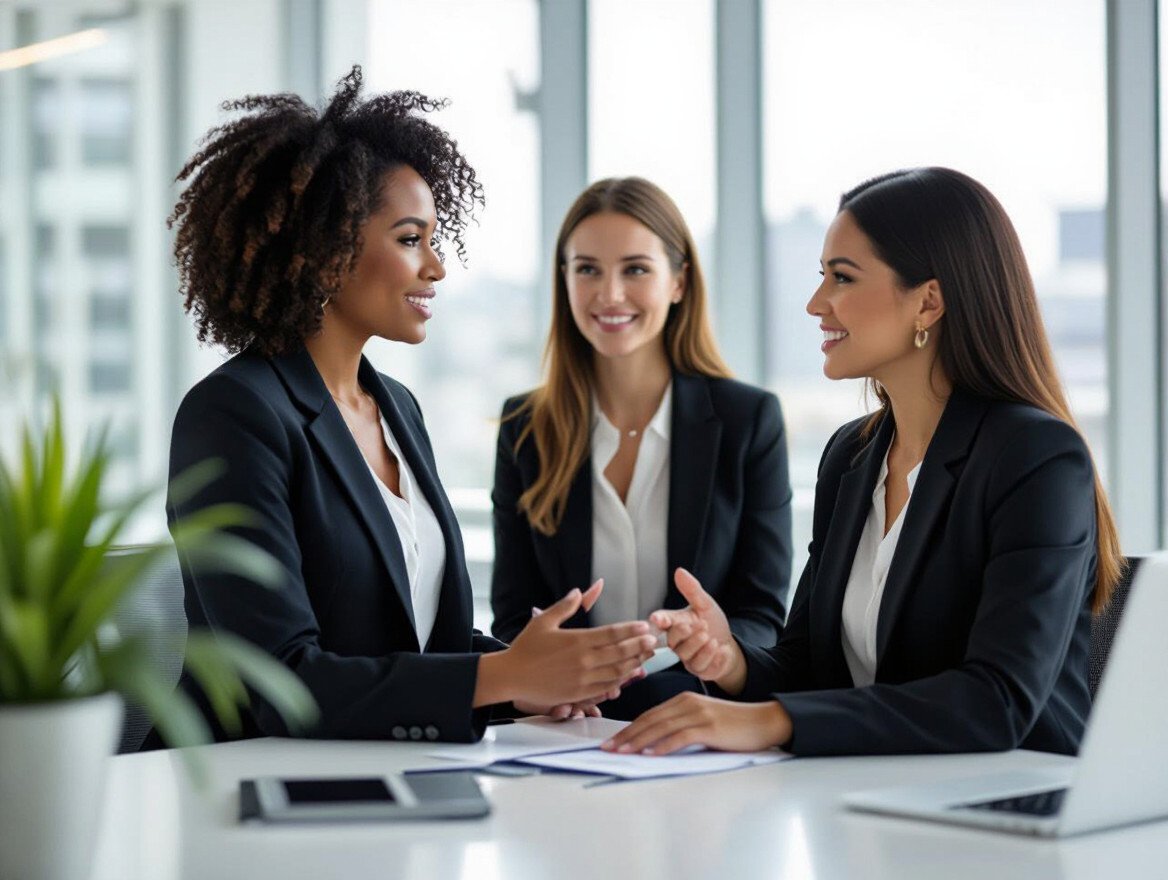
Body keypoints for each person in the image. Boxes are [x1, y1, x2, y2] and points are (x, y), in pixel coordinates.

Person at [163, 68, 656, 745]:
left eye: (432, 238)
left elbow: (425, 642)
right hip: (245, 779)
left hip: (386, 773)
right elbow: (282, 683)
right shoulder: (232, 415)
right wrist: (503, 676)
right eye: (408, 238)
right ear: (325, 250)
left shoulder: (396, 407)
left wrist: (537, 677)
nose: (436, 266)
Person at [603, 167, 1123, 756]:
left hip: (1013, 797)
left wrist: (771, 721)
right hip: (868, 790)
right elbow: (811, 669)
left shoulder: (1036, 457)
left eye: (842, 277)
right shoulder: (851, 455)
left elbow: (997, 702)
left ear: (928, 302)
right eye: (821, 276)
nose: (815, 303)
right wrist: (732, 662)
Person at [491, 177, 792, 718]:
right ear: (564, 280)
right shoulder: (525, 427)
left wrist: (714, 651)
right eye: (588, 269)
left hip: (696, 717)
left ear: (678, 282)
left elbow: (762, 614)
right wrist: (549, 678)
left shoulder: (748, 421)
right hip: (568, 727)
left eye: (635, 269)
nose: (609, 294)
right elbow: (515, 616)